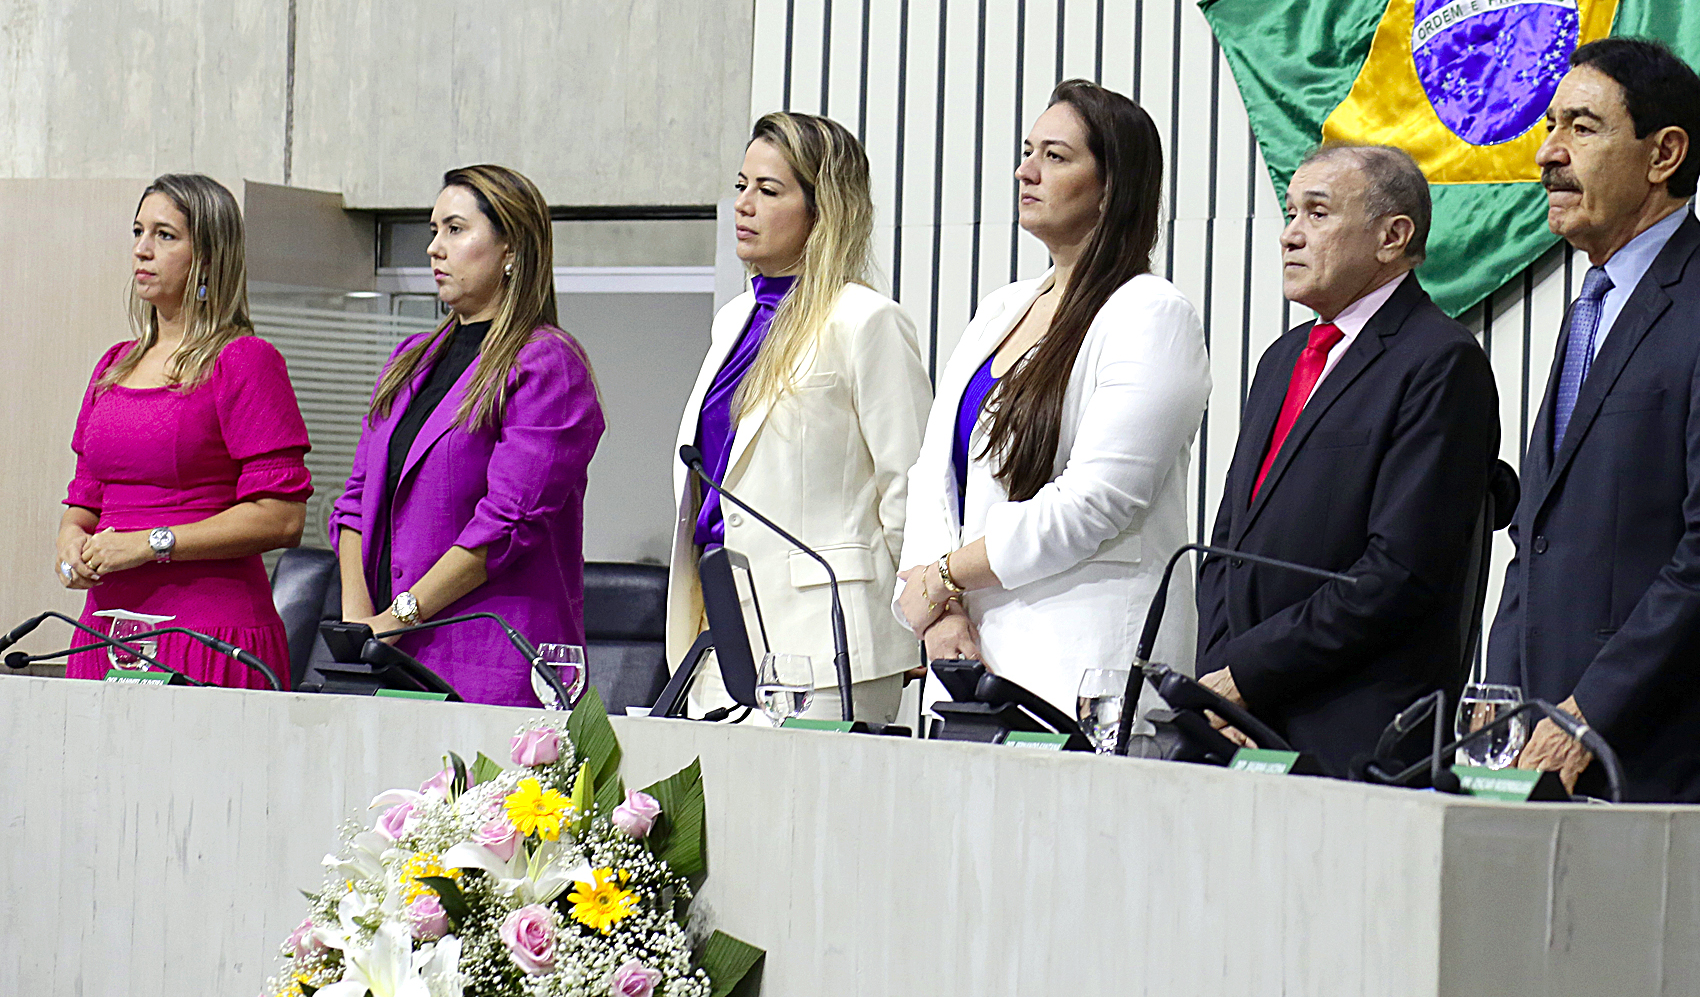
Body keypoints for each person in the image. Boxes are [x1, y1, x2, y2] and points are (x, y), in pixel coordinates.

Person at [1485, 36, 1700, 802]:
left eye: (1581, 127)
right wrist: (1496, 708)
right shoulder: (1589, 307)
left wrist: (1588, 710)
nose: (1547, 153)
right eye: (1550, 124)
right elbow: (1538, 535)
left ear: (1663, 154)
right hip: (1535, 736)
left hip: (1649, 749)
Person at [893, 80, 1210, 719]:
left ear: (1111, 187)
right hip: (967, 655)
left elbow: (1096, 501)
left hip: (1082, 661)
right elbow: (933, 474)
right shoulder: (1003, 307)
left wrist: (947, 576)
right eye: (1027, 150)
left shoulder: (1151, 313)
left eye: (1056, 156)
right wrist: (939, 616)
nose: (1025, 170)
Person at [1195, 144, 1501, 778]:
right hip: (1242, 722)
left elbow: (1399, 573)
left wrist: (1248, 675)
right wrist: (1220, 685)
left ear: (1392, 237)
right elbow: (1228, 544)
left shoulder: (1439, 361)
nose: (1289, 235)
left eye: (1317, 213)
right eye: (1289, 213)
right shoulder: (1280, 361)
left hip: (1353, 729)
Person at [665, 113, 931, 723]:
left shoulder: (865, 320)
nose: (744, 206)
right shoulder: (734, 319)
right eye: (740, 186)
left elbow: (909, 490)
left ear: (823, 208)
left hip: (830, 640)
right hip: (721, 629)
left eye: (769, 190)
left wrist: (922, 619)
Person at [330, 165, 604, 706]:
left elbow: (505, 523)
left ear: (511, 250)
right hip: (386, 654)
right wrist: (358, 624)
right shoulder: (409, 359)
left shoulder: (547, 363)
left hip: (487, 662)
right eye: (433, 231)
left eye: (454, 230)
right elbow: (356, 502)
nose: (434, 248)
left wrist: (398, 615)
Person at [58, 174, 312, 688]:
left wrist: (150, 543)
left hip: (208, 635)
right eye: (138, 232)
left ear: (209, 255)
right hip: (105, 633)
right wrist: (69, 541)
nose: (142, 251)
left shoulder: (243, 361)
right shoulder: (114, 364)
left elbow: (282, 518)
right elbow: (86, 497)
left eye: (165, 235)